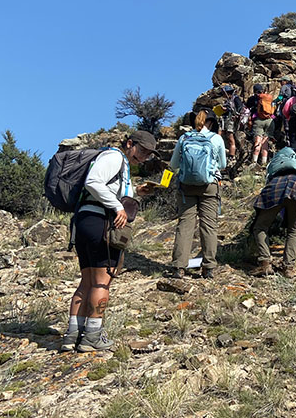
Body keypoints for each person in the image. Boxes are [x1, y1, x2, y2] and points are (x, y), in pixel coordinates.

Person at [62, 130, 157, 353]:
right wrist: (117, 207)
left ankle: (72, 335)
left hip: (84, 222)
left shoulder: (116, 161)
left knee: (86, 282)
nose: (143, 158)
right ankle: (92, 336)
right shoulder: (114, 157)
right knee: (101, 283)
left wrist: (137, 192)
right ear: (129, 143)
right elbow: (93, 182)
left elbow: (106, 187)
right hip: (100, 223)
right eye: (141, 151)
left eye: (148, 155)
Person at [170, 110, 227, 279]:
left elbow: (173, 164)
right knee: (209, 225)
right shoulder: (216, 139)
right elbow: (222, 164)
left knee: (185, 225)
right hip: (209, 185)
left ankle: (179, 267)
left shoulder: (184, 138)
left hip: (186, 186)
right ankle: (208, 267)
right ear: (211, 122)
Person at [252, 169, 296, 277]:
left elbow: (280, 206)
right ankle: (288, 268)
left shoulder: (274, 170)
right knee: (294, 230)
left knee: (260, 227)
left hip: (275, 188)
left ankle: (265, 264)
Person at [247, 84, 275, 166]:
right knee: (265, 143)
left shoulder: (253, 99)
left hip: (258, 120)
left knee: (258, 141)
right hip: (270, 120)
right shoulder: (269, 98)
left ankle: (254, 162)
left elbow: (247, 108)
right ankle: (264, 163)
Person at [219, 85, 246, 162]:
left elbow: (240, 108)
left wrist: (236, 114)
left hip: (231, 120)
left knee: (230, 137)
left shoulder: (235, 99)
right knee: (223, 135)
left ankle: (232, 156)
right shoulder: (229, 100)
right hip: (226, 119)